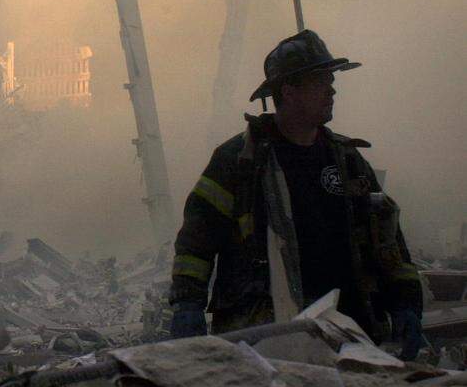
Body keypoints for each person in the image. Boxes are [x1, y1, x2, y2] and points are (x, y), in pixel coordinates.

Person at [169, 30, 424, 359]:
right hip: (270, 338)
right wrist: (188, 303)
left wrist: (406, 304)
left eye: (331, 80)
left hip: (352, 334)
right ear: (288, 90)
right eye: (321, 81)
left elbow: (389, 243)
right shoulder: (239, 161)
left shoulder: (348, 161)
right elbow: (196, 240)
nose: (332, 90)